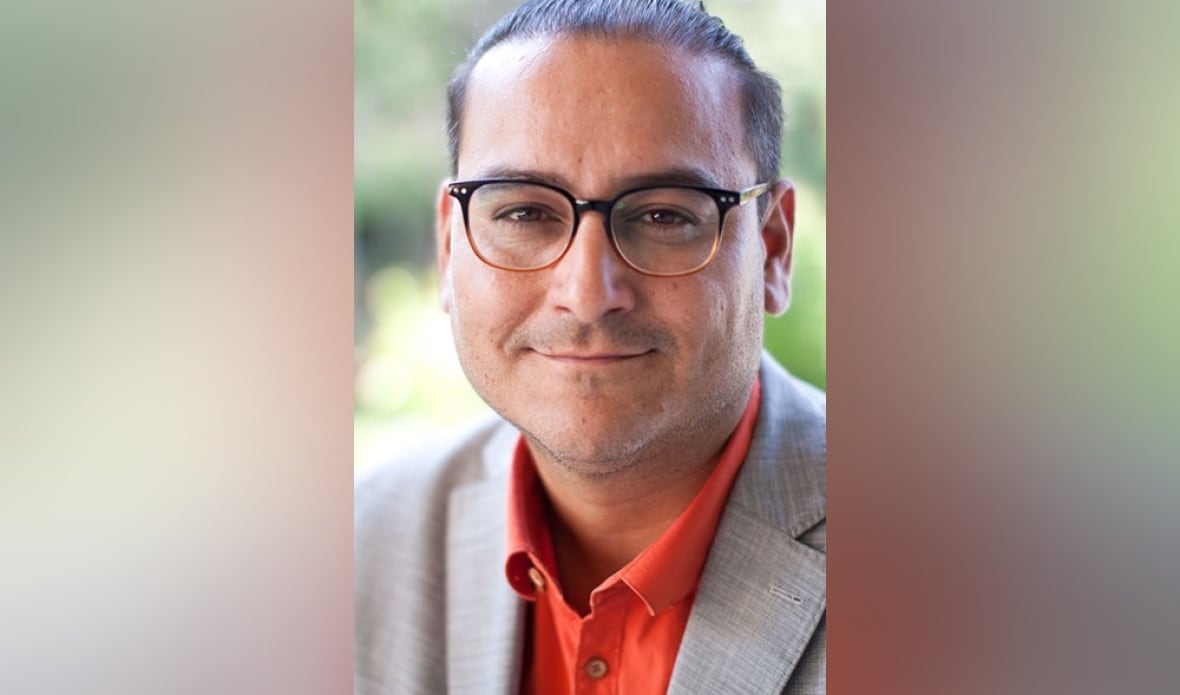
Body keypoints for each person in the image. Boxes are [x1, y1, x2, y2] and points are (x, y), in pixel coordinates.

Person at [355, 0, 826, 692]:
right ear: (450, 244)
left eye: (665, 214)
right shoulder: (357, 548)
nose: (588, 290)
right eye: (523, 211)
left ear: (773, 250)